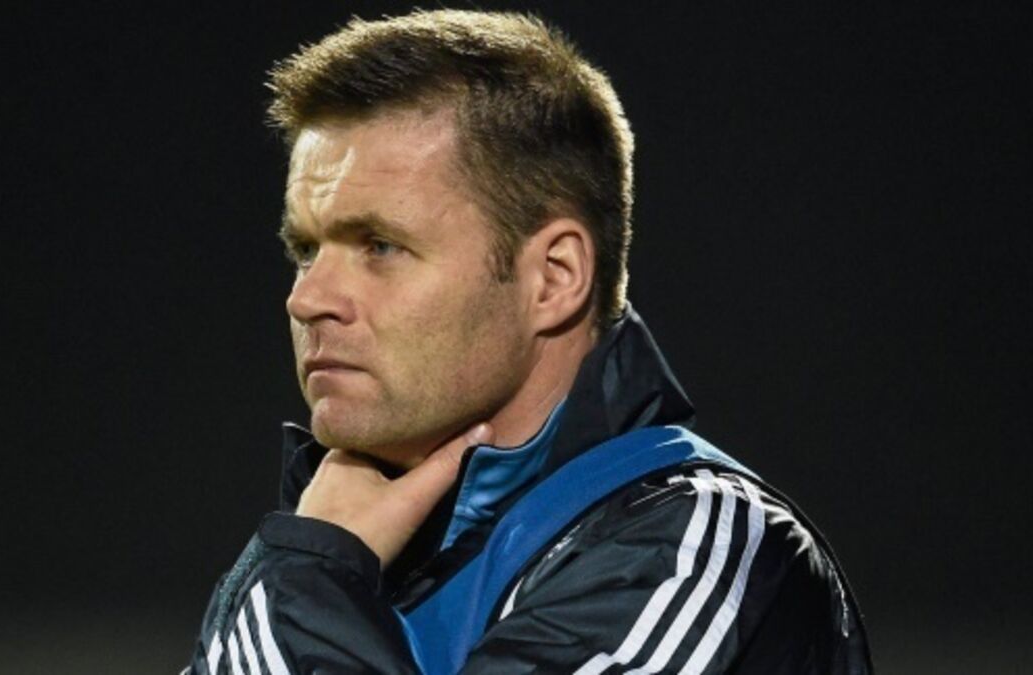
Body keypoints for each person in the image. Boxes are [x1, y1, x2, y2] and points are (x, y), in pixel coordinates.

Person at [186, 10, 872, 674]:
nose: (307, 299)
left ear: (554, 278)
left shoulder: (702, 549)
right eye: (306, 250)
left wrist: (307, 579)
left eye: (381, 246)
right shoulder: (330, 550)